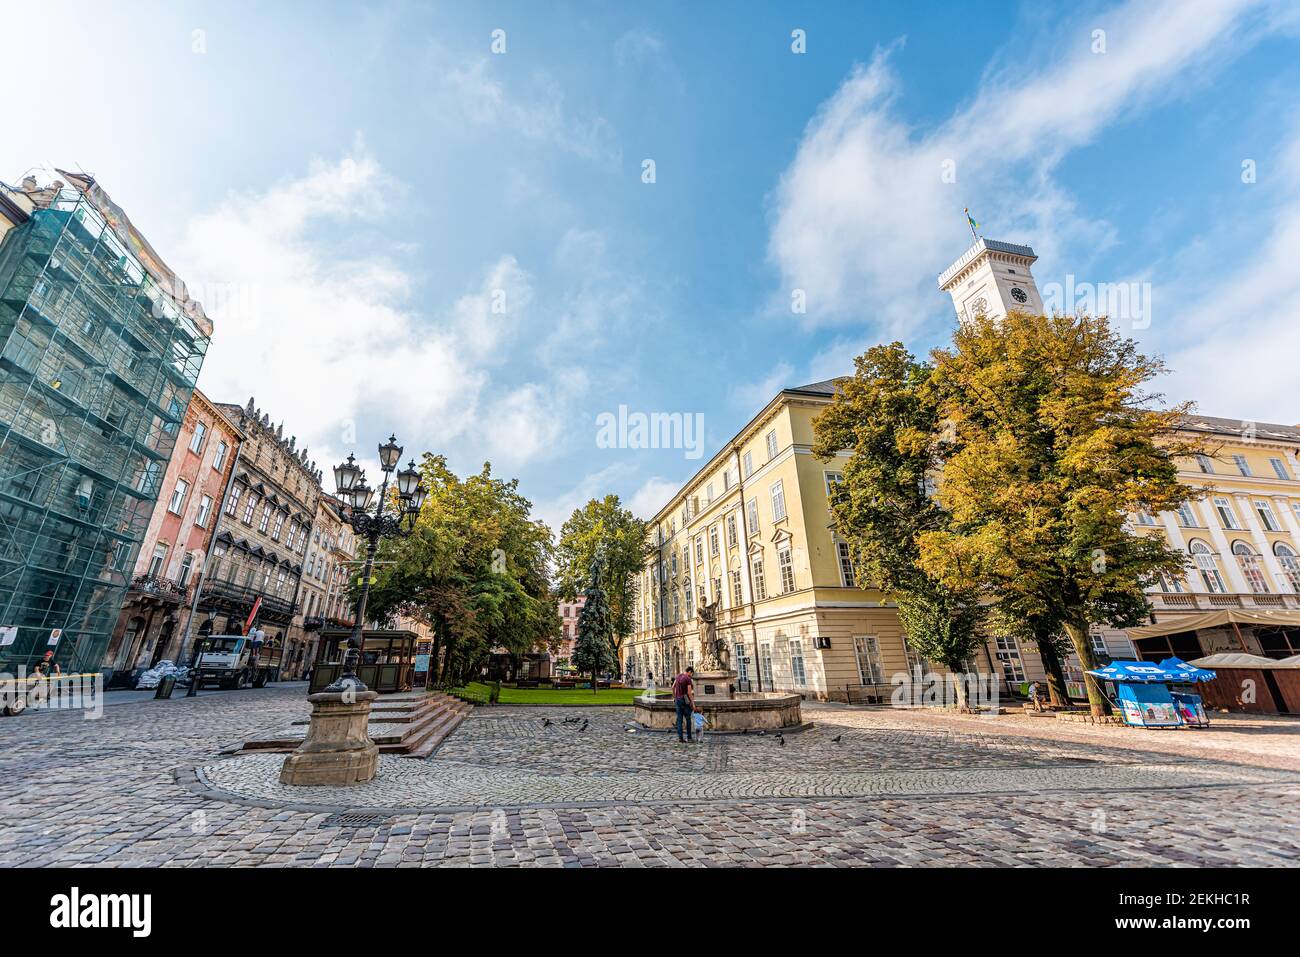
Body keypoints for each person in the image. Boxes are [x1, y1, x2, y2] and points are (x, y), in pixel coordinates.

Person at [672, 666, 696, 742]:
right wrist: (692, 702)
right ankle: (689, 738)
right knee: (688, 718)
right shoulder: (688, 679)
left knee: (679, 719)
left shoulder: (678, 676)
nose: (691, 676)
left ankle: (680, 738)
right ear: (690, 672)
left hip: (678, 700)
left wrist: (674, 697)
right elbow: (689, 692)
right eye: (692, 674)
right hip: (685, 701)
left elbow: (673, 687)